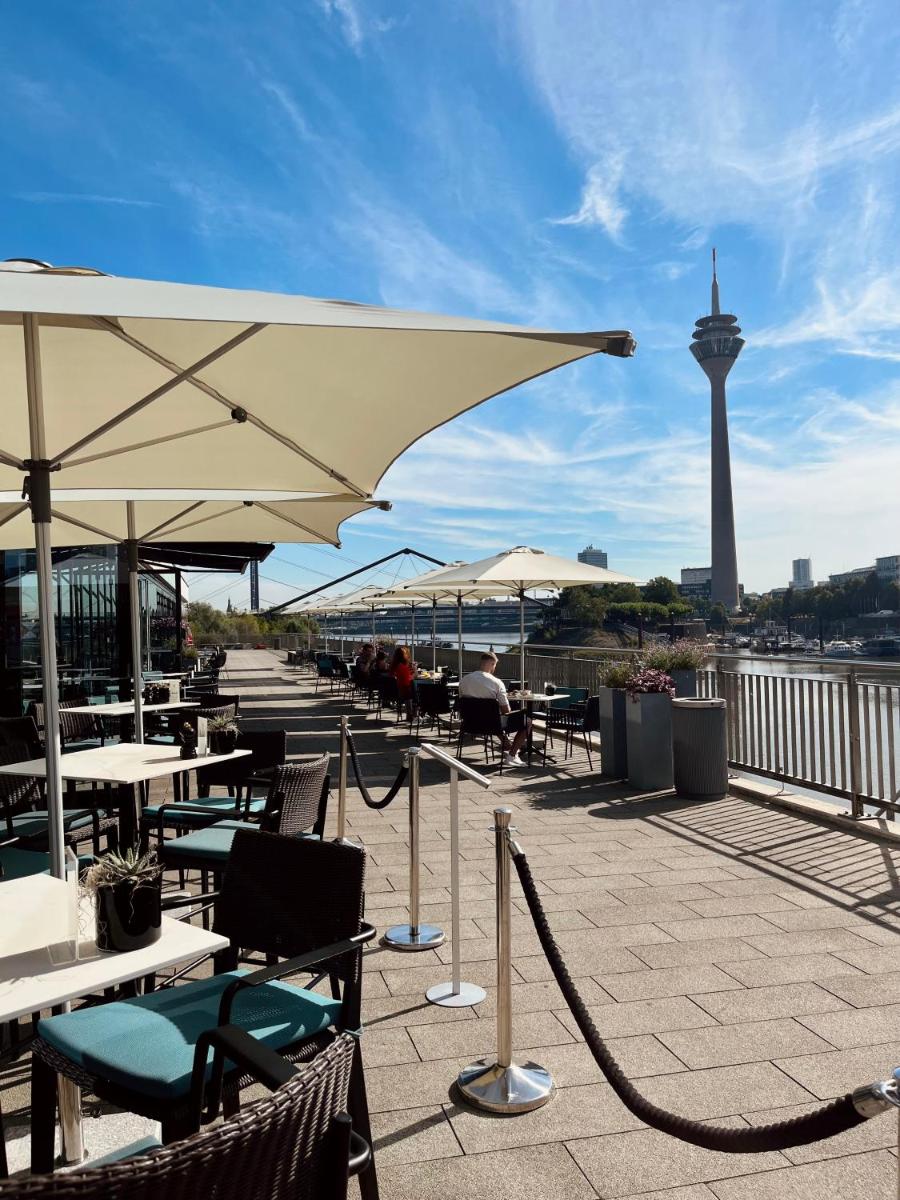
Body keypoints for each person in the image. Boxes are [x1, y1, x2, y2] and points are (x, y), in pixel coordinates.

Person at [458, 651, 530, 767]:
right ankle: (512, 756)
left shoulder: (464, 681)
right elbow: (506, 711)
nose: (495, 668)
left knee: (492, 718)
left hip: (469, 723)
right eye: (495, 665)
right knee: (527, 721)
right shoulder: (496, 682)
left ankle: (508, 746)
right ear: (492, 664)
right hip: (492, 725)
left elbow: (462, 703)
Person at [390, 645, 416, 718]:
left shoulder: (394, 665)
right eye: (406, 654)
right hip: (403, 692)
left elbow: (398, 676)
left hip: (395, 691)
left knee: (412, 686)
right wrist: (415, 671)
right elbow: (409, 679)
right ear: (403, 656)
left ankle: (411, 713)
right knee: (413, 686)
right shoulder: (402, 667)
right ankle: (412, 714)